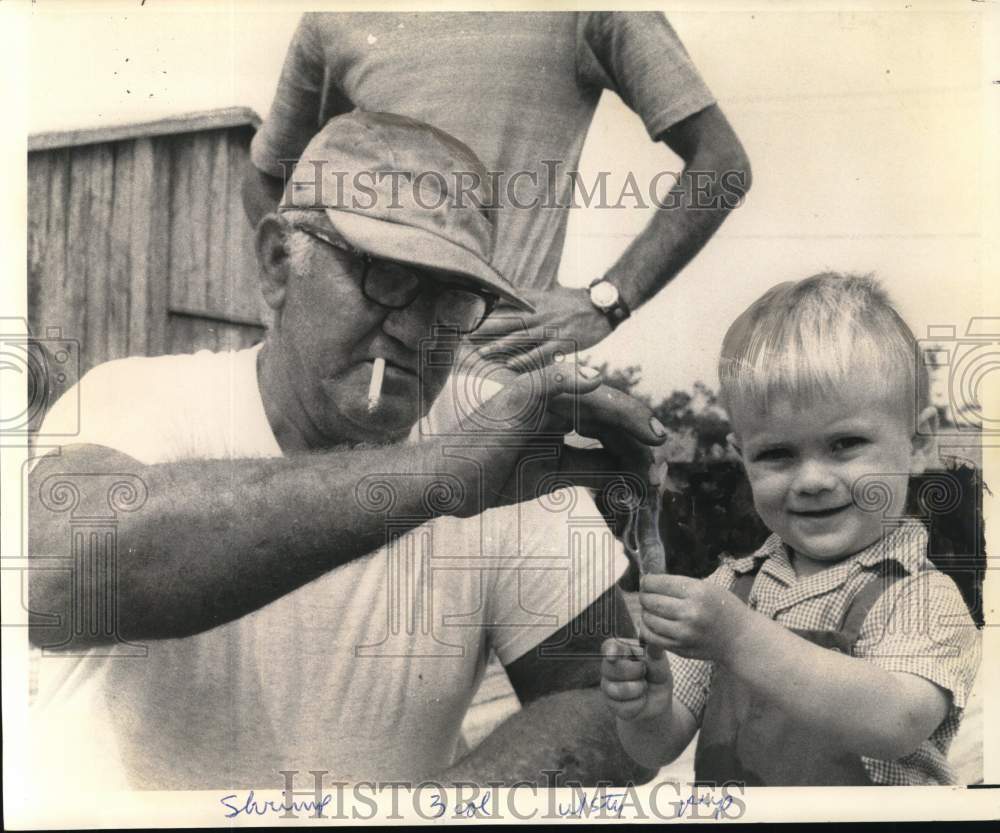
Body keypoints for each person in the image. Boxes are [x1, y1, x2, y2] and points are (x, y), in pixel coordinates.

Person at [28, 112, 668, 791]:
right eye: (383, 275)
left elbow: (606, 700)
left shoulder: (494, 440)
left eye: (453, 299)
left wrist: (432, 813)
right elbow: (56, 580)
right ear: (277, 262)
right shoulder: (137, 397)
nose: (416, 328)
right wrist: (440, 474)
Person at [600, 274, 982, 785]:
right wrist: (646, 710)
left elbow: (897, 723)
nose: (812, 481)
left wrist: (737, 638)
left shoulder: (921, 595)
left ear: (917, 443)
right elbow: (657, 747)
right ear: (743, 458)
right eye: (777, 454)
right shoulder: (730, 589)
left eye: (845, 443)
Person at [243, 11, 752, 372]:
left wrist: (606, 301)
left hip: (491, 371)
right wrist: (314, 297)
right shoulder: (333, 18)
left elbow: (721, 164)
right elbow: (264, 179)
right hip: (365, 368)